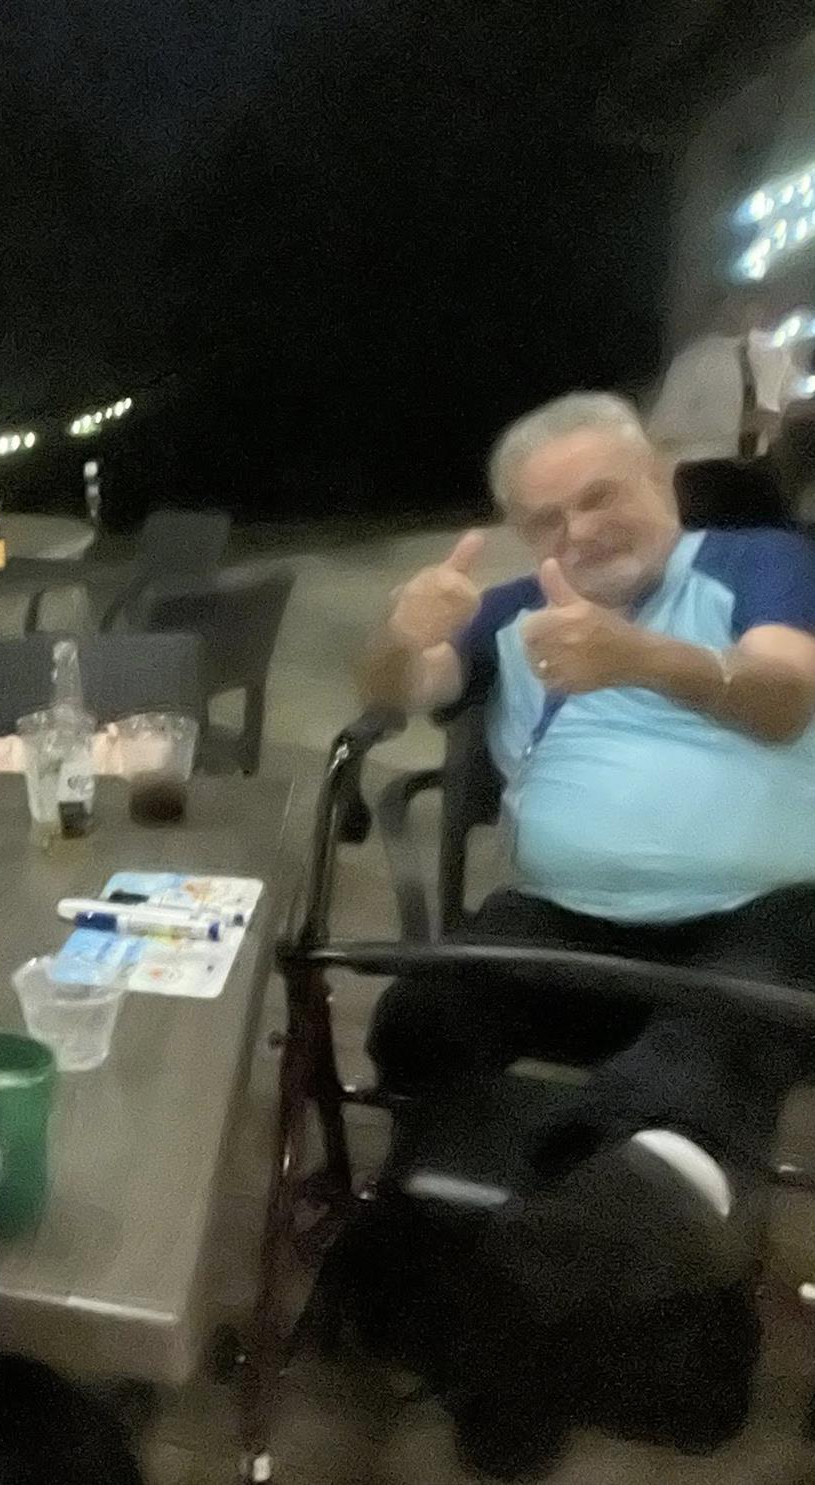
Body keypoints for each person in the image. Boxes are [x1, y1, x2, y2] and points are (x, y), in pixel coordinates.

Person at [359, 390, 815, 1466]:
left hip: (760, 915)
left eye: (601, 496)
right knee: (421, 1018)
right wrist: (399, 638)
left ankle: (491, 1313)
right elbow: (398, 691)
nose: (579, 533)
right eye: (546, 519)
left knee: (711, 1045)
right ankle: (537, 1287)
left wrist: (638, 657)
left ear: (660, 476)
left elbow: (785, 697)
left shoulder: (757, 562)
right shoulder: (516, 608)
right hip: (566, 920)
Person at [645, 286, 807, 526]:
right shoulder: (694, 361)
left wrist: (779, 421)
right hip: (707, 474)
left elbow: (792, 401)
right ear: (723, 309)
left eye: (754, 304)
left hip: (762, 470)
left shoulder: (775, 355)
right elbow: (662, 431)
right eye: (739, 304)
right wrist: (730, 431)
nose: (748, 312)